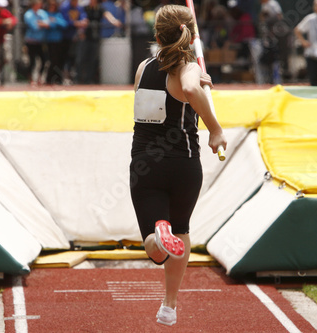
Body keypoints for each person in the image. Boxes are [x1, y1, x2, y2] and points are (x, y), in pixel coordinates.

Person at [129, 4, 227, 326]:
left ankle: (158, 237)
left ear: (156, 35)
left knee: (156, 248)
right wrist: (214, 128)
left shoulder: (144, 67)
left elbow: (165, 93)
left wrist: (198, 83)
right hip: (184, 165)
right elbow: (185, 89)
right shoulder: (188, 68)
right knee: (182, 228)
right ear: (188, 37)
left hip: (145, 164)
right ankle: (169, 305)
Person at [78, 0, 121, 84]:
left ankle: (88, 80)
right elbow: (81, 18)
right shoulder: (85, 8)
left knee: (93, 59)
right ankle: (79, 79)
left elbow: (107, 15)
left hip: (95, 37)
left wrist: (114, 21)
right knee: (81, 58)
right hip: (85, 37)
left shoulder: (100, 8)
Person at [59, 0, 87, 84]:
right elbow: (65, 21)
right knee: (64, 57)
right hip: (64, 37)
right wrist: (77, 23)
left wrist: (83, 22)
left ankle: (71, 75)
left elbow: (83, 17)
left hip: (75, 37)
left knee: (73, 57)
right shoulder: (65, 6)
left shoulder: (78, 7)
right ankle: (62, 76)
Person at [24, 0, 49, 86]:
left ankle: (39, 77)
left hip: (40, 41)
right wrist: (42, 24)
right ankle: (30, 79)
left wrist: (41, 24)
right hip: (31, 41)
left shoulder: (42, 13)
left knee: (44, 60)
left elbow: (48, 23)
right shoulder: (28, 14)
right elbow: (34, 26)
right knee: (32, 61)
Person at [45, 0, 67, 85]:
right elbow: (48, 25)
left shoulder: (57, 15)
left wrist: (55, 20)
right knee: (52, 60)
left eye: (53, 6)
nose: (52, 7)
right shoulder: (46, 14)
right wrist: (53, 23)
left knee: (59, 60)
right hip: (49, 41)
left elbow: (64, 24)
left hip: (58, 40)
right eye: (50, 6)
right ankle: (49, 78)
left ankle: (57, 78)